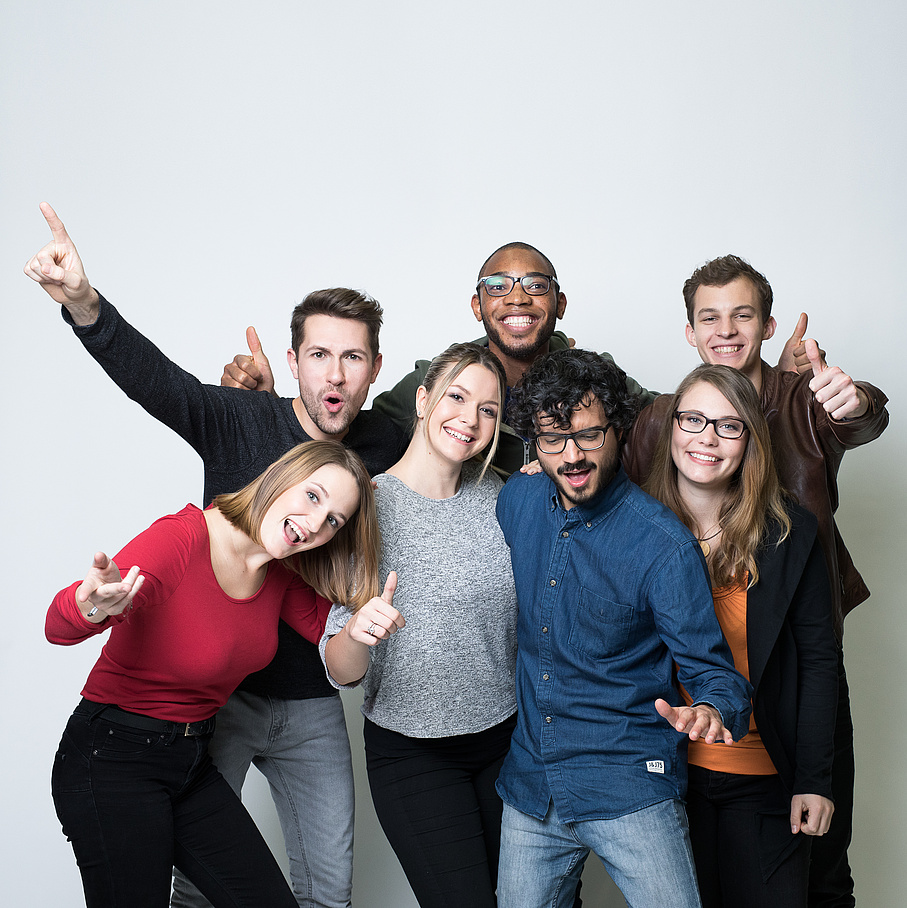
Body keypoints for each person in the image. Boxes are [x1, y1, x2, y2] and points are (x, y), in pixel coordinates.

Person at [24, 203, 406, 908]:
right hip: (205, 708)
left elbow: (458, 421)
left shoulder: (383, 448)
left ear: (374, 368)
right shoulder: (217, 471)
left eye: (353, 357)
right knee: (189, 896)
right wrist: (83, 301)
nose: (316, 521)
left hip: (298, 700)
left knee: (317, 891)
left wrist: (537, 457)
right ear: (295, 362)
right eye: (320, 353)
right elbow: (154, 381)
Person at [623, 254, 889, 908]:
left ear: (768, 325)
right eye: (710, 317)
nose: (726, 329)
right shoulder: (661, 419)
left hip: (791, 672)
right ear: (689, 331)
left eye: (742, 315)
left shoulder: (801, 398)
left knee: (820, 871)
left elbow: (854, 415)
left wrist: (853, 400)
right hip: (681, 742)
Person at [47, 441, 379, 908]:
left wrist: (362, 628)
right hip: (114, 756)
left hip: (190, 761)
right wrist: (91, 604)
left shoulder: (280, 571)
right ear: (281, 477)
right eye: (312, 496)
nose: (315, 522)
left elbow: (335, 648)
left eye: (333, 521)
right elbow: (56, 626)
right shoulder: (183, 539)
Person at [494, 348, 752, 908]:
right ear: (534, 443)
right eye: (553, 439)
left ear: (620, 429)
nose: (572, 455)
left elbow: (715, 673)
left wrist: (710, 710)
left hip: (628, 777)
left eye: (588, 435)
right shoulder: (515, 500)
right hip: (532, 784)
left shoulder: (662, 545)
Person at [221, 242, 815, 476]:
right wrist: (276, 407)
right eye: (497, 285)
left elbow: (682, 420)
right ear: (476, 306)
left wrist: (770, 380)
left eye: (533, 284)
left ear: (558, 302)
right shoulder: (436, 382)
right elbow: (345, 422)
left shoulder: (593, 374)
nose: (517, 297)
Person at [320, 343, 517, 907]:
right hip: (414, 756)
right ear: (425, 400)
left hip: (506, 743)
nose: (470, 418)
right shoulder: (367, 505)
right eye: (457, 397)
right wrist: (358, 631)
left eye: (489, 410)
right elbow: (340, 669)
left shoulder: (504, 500)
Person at [638, 364, 838, 906]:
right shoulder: (630, 527)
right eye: (693, 419)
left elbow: (820, 665)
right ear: (671, 428)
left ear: (750, 439)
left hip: (766, 780)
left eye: (729, 426)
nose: (706, 437)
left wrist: (815, 780)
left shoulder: (790, 534)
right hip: (663, 783)